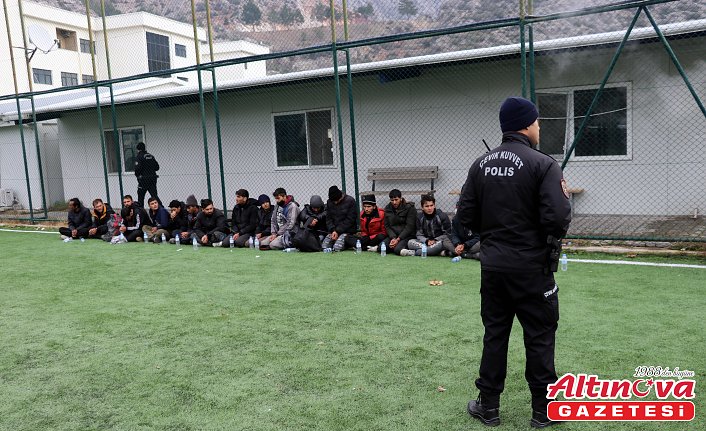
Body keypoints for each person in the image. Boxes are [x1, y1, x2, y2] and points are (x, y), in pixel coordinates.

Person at [458, 96, 572, 428]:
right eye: (537, 122)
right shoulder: (543, 164)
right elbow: (558, 218)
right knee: (539, 335)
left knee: (495, 334)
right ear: (526, 124)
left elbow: (465, 217)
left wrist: (494, 236)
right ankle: (544, 411)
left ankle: (489, 408)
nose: (539, 127)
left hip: (493, 267)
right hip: (532, 269)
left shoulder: (480, 165)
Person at [321, 185, 358, 252]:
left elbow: (350, 220)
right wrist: (333, 230)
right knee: (324, 247)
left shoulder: (350, 201)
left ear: (340, 196)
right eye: (333, 201)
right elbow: (328, 218)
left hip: (348, 231)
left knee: (337, 248)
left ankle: (348, 244)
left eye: (337, 200)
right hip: (334, 231)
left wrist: (337, 231)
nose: (335, 202)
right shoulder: (329, 202)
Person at [382, 189, 417, 255]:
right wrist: (393, 238)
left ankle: (411, 251)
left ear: (400, 199)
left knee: (397, 250)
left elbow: (410, 226)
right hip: (394, 236)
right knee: (381, 248)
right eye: (392, 200)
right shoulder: (387, 208)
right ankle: (396, 246)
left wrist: (398, 239)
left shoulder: (409, 208)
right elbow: (387, 226)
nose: (394, 202)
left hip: (407, 236)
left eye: (396, 199)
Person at [134, 142, 160, 207]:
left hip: (143, 180)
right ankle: (161, 209)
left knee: (140, 197)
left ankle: (140, 212)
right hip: (152, 179)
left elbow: (137, 169)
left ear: (138, 149)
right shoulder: (150, 156)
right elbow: (157, 167)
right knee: (154, 196)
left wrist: (138, 176)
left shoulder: (139, 157)